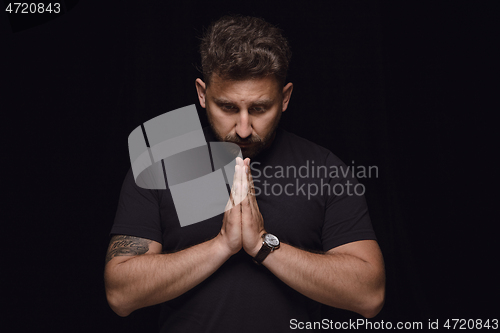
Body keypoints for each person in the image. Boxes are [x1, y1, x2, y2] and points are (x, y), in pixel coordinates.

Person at [104, 15, 385, 332]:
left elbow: (369, 295)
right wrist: (222, 245)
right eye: (226, 107)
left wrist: (263, 246)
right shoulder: (161, 164)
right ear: (202, 93)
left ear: (285, 98)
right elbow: (120, 295)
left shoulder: (324, 169)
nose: (243, 128)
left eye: (259, 108)